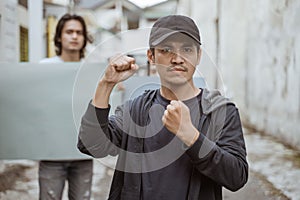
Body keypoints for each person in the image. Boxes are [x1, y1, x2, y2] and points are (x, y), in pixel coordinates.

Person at [77, 15, 248, 200]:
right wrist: (105, 84)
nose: (177, 59)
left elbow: (236, 177)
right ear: (151, 56)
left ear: (198, 56)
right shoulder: (137, 109)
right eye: (166, 50)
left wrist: (191, 137)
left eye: (187, 49)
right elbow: (91, 145)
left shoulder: (220, 111)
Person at [39, 13, 93, 200]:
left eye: (79, 32)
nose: (74, 36)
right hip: (51, 153)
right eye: (69, 31)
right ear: (59, 37)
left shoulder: (92, 70)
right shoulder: (44, 68)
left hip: (83, 153)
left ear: (85, 38)